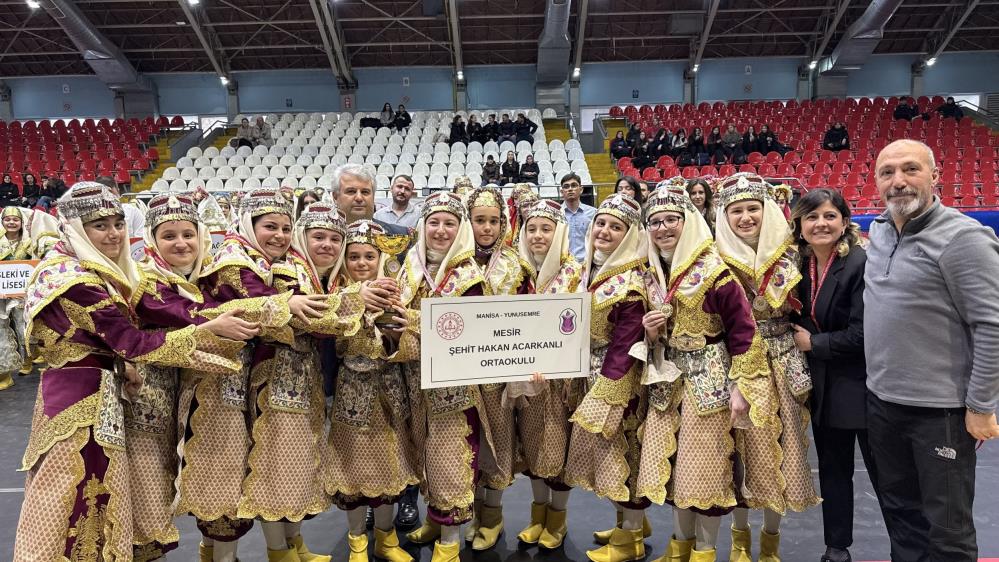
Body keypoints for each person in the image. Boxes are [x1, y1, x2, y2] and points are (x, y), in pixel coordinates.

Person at [12, 182, 235, 562]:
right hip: (82, 405)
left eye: (117, 223)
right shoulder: (76, 280)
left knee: (93, 498)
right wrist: (206, 332)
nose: (113, 234)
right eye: (100, 225)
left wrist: (123, 362)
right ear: (76, 229)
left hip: (88, 393)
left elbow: (108, 344)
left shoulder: (81, 267)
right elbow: (128, 340)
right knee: (78, 495)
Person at [866, 139, 999, 561]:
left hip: (939, 413)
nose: (898, 181)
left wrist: (980, 404)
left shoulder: (964, 239)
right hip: (883, 405)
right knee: (901, 517)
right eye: (888, 172)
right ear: (876, 182)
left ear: (935, 176)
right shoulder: (880, 232)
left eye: (911, 170)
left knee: (947, 531)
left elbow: (992, 324)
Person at [635, 179, 764, 562]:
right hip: (666, 380)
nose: (663, 228)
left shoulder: (714, 271)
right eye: (655, 221)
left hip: (708, 382)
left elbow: (744, 332)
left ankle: (705, 554)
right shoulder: (651, 272)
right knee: (674, 470)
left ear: (688, 221)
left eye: (671, 219)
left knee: (704, 469)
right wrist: (651, 331)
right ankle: (679, 550)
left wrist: (741, 388)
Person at [130, 193, 265, 561]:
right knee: (148, 488)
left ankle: (220, 556)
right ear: (152, 240)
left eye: (188, 233)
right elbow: (178, 311)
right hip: (149, 401)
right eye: (169, 235)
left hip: (210, 397)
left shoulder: (213, 274)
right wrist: (215, 322)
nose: (181, 243)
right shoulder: (142, 278)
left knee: (222, 480)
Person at [714, 172, 820, 562]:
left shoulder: (794, 253)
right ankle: (739, 541)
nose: (745, 217)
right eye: (736, 210)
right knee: (739, 454)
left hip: (786, 365)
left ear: (767, 210)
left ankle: (770, 542)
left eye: (752, 209)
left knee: (785, 451)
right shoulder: (713, 259)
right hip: (735, 364)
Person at [790, 188, 880, 562]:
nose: (820, 224)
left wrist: (816, 345)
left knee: (885, 477)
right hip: (825, 388)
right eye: (811, 217)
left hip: (862, 386)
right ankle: (836, 548)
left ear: (845, 222)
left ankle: (912, 549)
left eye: (829, 216)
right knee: (833, 473)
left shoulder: (860, 263)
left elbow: (866, 332)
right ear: (799, 225)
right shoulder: (799, 266)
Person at [398, 191, 487, 562]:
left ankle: (449, 545)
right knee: (423, 456)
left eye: (449, 223)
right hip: (413, 380)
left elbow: (469, 330)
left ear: (460, 228)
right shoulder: (409, 267)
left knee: (452, 462)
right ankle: (436, 522)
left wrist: (413, 323)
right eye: (433, 222)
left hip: (454, 388)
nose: (440, 230)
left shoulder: (470, 276)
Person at [563, 192, 649, 562]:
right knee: (612, 455)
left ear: (629, 235)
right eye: (601, 223)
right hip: (591, 371)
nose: (605, 231)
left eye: (616, 227)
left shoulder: (631, 280)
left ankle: (631, 541)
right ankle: (628, 524)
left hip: (618, 381)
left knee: (624, 454)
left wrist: (608, 391)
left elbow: (626, 344)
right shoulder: (589, 269)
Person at [325, 217, 418, 562]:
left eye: (369, 256)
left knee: (390, 468)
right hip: (350, 393)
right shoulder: (333, 294)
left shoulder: (397, 290)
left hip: (390, 391)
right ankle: (356, 541)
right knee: (352, 470)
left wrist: (397, 332)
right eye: (354, 257)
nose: (362, 263)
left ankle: (386, 538)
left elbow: (404, 339)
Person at [511, 199, 582, 550]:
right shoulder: (515, 274)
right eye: (532, 229)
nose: (538, 236)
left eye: (546, 229)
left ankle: (558, 520)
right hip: (523, 381)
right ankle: (536, 517)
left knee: (557, 452)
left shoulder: (576, 274)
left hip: (560, 384)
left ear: (560, 233)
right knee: (531, 448)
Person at [462, 186, 528, 551]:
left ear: (503, 223)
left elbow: (529, 318)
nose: (486, 228)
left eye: (493, 221)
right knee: (468, 444)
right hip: (462, 374)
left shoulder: (516, 264)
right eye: (479, 220)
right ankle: (469, 513)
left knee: (498, 444)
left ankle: (493, 515)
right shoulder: (455, 262)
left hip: (499, 373)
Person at [0, 207, 56, 392]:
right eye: (7, 219)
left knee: (26, 327)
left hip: (25, 295)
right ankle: (4, 374)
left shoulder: (30, 242)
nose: (11, 223)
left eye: (15, 220)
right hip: (2, 296)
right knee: (2, 332)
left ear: (21, 222)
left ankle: (28, 361)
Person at [559, 172, 596, 264]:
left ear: (581, 189)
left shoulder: (594, 213)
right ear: (562, 192)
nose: (570, 189)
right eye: (566, 186)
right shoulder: (556, 214)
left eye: (574, 185)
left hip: (587, 264)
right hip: (563, 265)